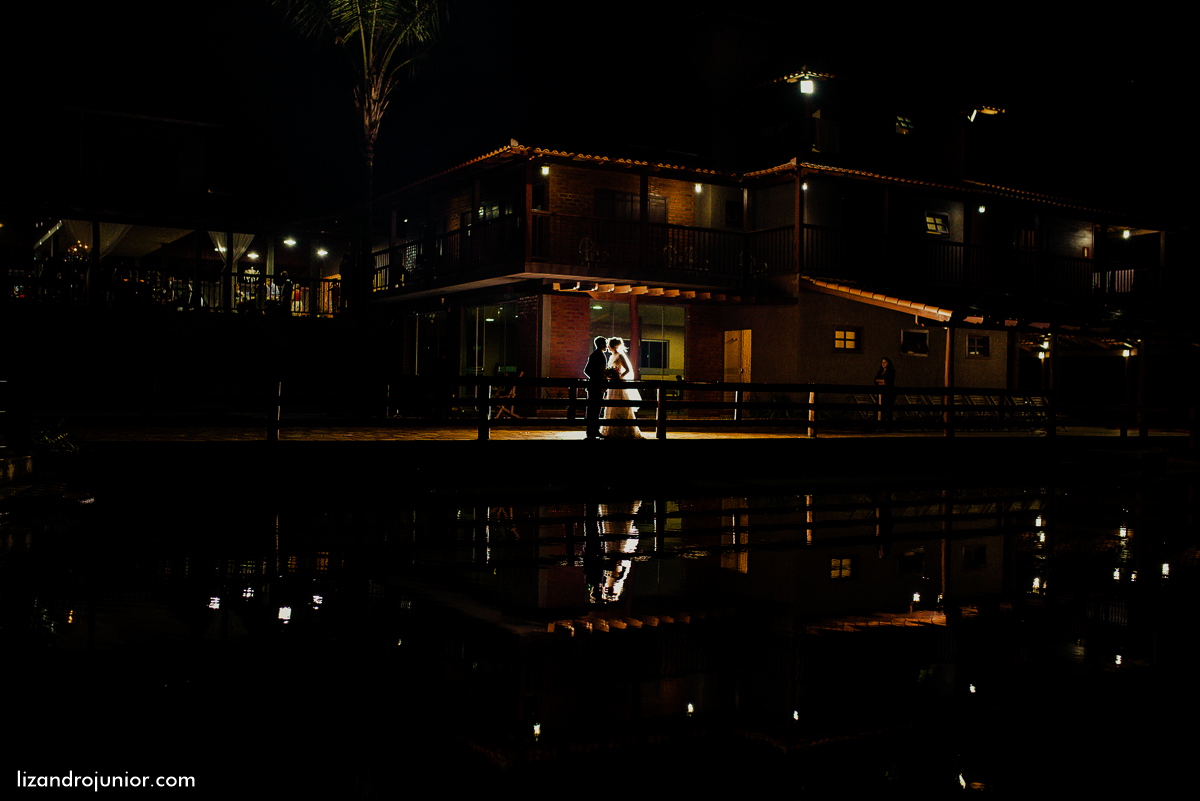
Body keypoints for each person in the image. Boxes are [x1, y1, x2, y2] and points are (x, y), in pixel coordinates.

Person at [600, 337, 646, 439]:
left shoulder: (620, 356)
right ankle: (610, 429)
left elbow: (628, 369)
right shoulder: (612, 356)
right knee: (611, 405)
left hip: (619, 384)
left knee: (621, 405)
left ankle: (624, 429)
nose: (607, 346)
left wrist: (620, 376)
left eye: (609, 345)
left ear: (613, 346)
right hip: (612, 384)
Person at [583, 336, 609, 439]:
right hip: (595, 386)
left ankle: (594, 431)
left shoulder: (597, 355)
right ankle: (591, 432)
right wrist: (598, 378)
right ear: (601, 344)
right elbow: (587, 370)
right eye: (605, 343)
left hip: (595, 385)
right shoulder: (597, 355)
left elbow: (587, 371)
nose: (607, 345)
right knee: (593, 410)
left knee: (596, 410)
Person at [874, 357, 896, 433]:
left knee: (888, 409)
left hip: (888, 393)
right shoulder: (880, 371)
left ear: (888, 363)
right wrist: (882, 381)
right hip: (881, 393)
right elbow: (875, 381)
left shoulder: (891, 372)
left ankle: (889, 427)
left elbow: (888, 381)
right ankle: (880, 425)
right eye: (882, 362)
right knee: (880, 409)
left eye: (885, 362)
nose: (883, 364)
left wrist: (882, 381)